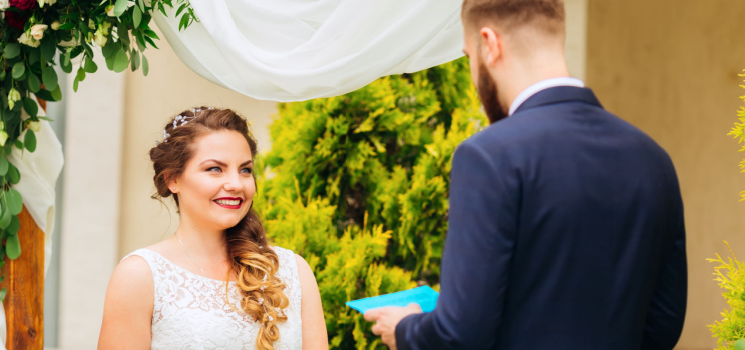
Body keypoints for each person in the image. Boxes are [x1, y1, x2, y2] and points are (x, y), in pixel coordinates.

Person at [364, 0, 687, 349]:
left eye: (469, 56)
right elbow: (664, 325)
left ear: (489, 44)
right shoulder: (653, 159)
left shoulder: (487, 155)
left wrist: (406, 328)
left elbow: (459, 333)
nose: (473, 76)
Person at [97, 107, 328, 350]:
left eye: (245, 170)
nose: (236, 184)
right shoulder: (140, 276)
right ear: (172, 179)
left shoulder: (294, 271)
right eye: (215, 169)